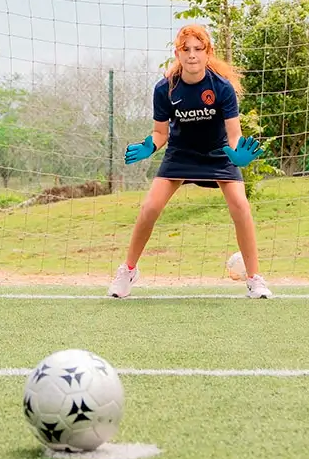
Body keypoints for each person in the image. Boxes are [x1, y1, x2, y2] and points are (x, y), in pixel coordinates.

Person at [111, 23, 271, 299]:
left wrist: (237, 154)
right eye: (186, 50)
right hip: (181, 154)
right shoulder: (165, 89)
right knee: (149, 207)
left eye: (198, 49)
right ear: (178, 54)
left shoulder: (222, 88)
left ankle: (255, 279)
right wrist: (149, 146)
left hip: (218, 153)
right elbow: (160, 132)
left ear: (208, 52)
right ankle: (128, 271)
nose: (192, 55)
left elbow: (234, 135)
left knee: (241, 206)